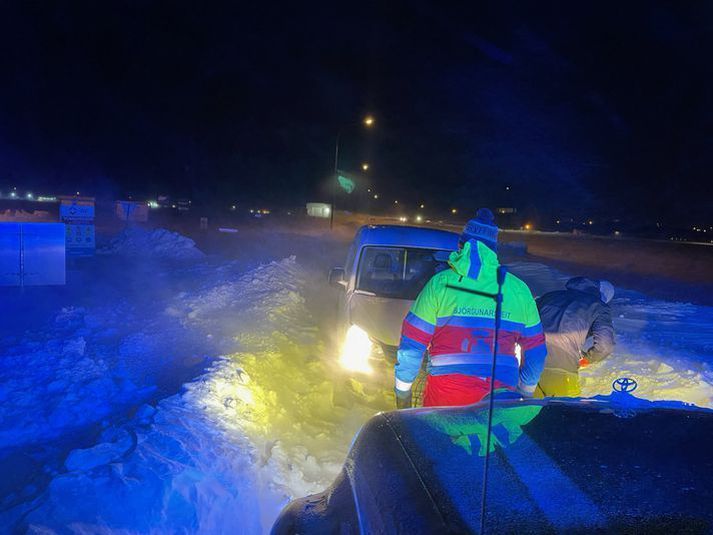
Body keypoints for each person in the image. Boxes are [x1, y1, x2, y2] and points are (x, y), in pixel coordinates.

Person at [394, 208, 547, 408]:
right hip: (500, 398)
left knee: (442, 439)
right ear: (493, 249)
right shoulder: (519, 290)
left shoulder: (440, 284)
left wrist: (402, 391)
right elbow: (537, 351)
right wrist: (525, 393)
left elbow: (413, 343)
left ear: (461, 246)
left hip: (445, 396)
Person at [535, 277, 615, 397]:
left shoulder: (549, 296)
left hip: (528, 360)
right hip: (560, 367)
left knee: (524, 409)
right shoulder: (599, 307)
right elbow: (605, 346)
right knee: (564, 411)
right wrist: (586, 359)